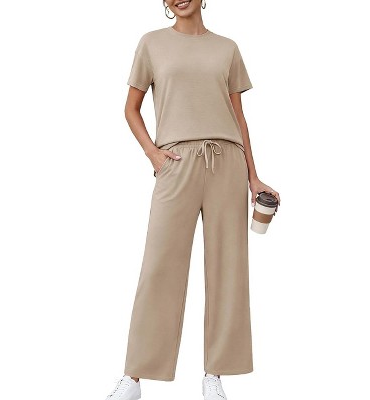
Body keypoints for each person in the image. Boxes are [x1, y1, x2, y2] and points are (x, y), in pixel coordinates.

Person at [105, 1, 281, 399]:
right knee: (159, 266)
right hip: (176, 162)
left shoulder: (227, 48)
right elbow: (131, 108)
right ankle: (135, 376)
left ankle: (214, 374)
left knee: (228, 268)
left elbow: (239, 117)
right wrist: (152, 153)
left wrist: (253, 177)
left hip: (227, 162)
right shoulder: (151, 44)